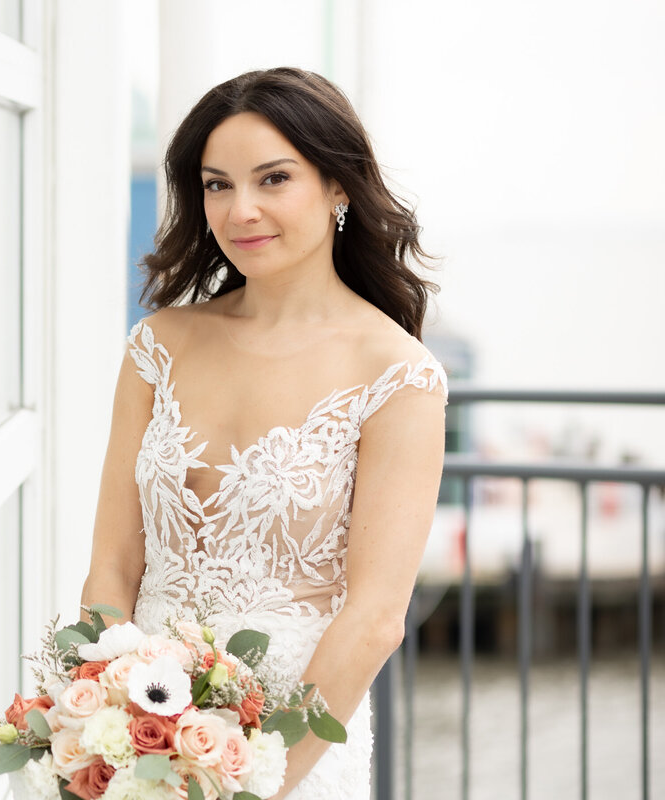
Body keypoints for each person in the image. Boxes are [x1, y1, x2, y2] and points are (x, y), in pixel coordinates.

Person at [80, 68, 447, 799]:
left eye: (273, 178)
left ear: (338, 185)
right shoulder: (159, 344)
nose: (240, 208)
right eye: (217, 185)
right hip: (136, 739)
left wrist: (247, 778)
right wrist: (95, 726)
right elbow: (112, 570)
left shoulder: (397, 374)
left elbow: (374, 619)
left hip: (297, 744)